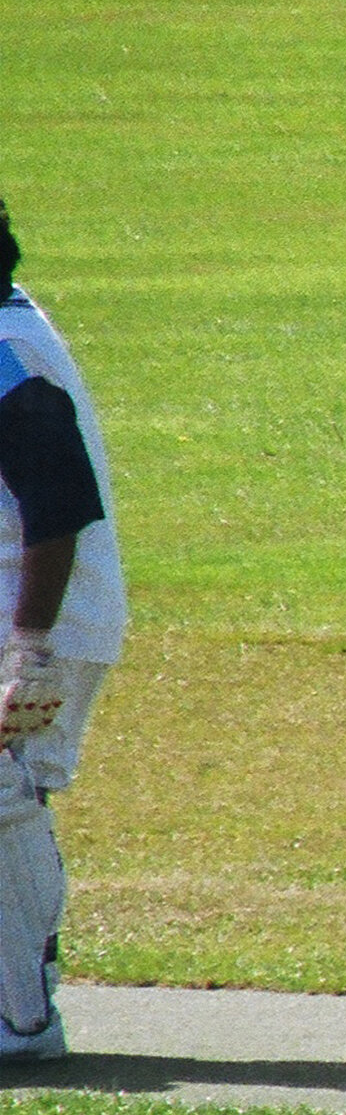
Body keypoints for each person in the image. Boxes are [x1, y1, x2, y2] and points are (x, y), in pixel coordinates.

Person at [0, 197, 124, 1065]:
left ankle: (21, 1023)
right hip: (24, 617)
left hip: (40, 623)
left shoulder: (7, 351)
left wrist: (29, 648)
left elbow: (60, 502)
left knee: (3, 801)